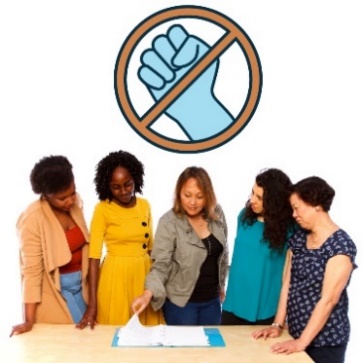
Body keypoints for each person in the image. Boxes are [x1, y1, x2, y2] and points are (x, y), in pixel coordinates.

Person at [252, 176, 357, 363]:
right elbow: (287, 284)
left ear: (316, 205)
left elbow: (328, 300)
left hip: (326, 343)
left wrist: (302, 342)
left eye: (297, 208)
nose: (294, 214)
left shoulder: (341, 246)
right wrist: (277, 324)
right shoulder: (299, 238)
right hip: (293, 335)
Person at [132, 166, 229, 325]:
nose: (192, 202)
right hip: (182, 305)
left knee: (213, 348)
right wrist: (147, 294)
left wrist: (222, 286)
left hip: (212, 301)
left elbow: (224, 253)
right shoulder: (168, 222)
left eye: (199, 196)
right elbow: (161, 265)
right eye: (187, 195)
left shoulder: (217, 213)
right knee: (184, 350)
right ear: (178, 194)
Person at [76, 150, 163, 328]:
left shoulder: (145, 205)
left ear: (136, 179)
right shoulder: (102, 209)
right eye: (116, 187)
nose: (124, 191)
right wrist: (92, 305)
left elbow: (151, 249)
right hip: (115, 278)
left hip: (143, 276)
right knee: (116, 335)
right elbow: (94, 257)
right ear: (107, 186)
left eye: (128, 184)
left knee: (148, 337)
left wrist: (157, 286)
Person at [11, 156, 89, 336]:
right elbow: (30, 272)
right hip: (57, 295)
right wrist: (28, 321)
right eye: (62, 198)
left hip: (82, 290)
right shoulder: (32, 219)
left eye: (72, 192)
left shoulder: (75, 204)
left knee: (91, 343)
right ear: (46, 195)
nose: (70, 201)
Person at [222, 168, 296, 325]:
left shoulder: (290, 229)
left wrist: (281, 320)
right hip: (233, 306)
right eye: (252, 193)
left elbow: (288, 274)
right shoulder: (244, 217)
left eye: (260, 197)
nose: (252, 200)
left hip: (266, 312)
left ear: (274, 201)